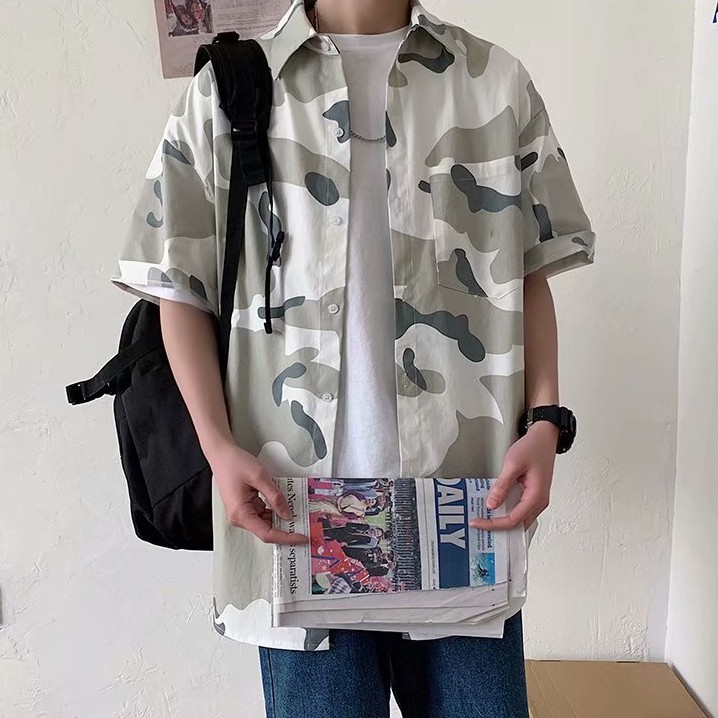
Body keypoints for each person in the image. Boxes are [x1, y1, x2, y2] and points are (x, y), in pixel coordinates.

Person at [110, 0, 595, 715]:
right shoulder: (233, 88)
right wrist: (217, 448)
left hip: (459, 518)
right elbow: (175, 286)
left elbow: (528, 271)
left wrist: (546, 422)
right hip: (296, 519)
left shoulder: (493, 81)